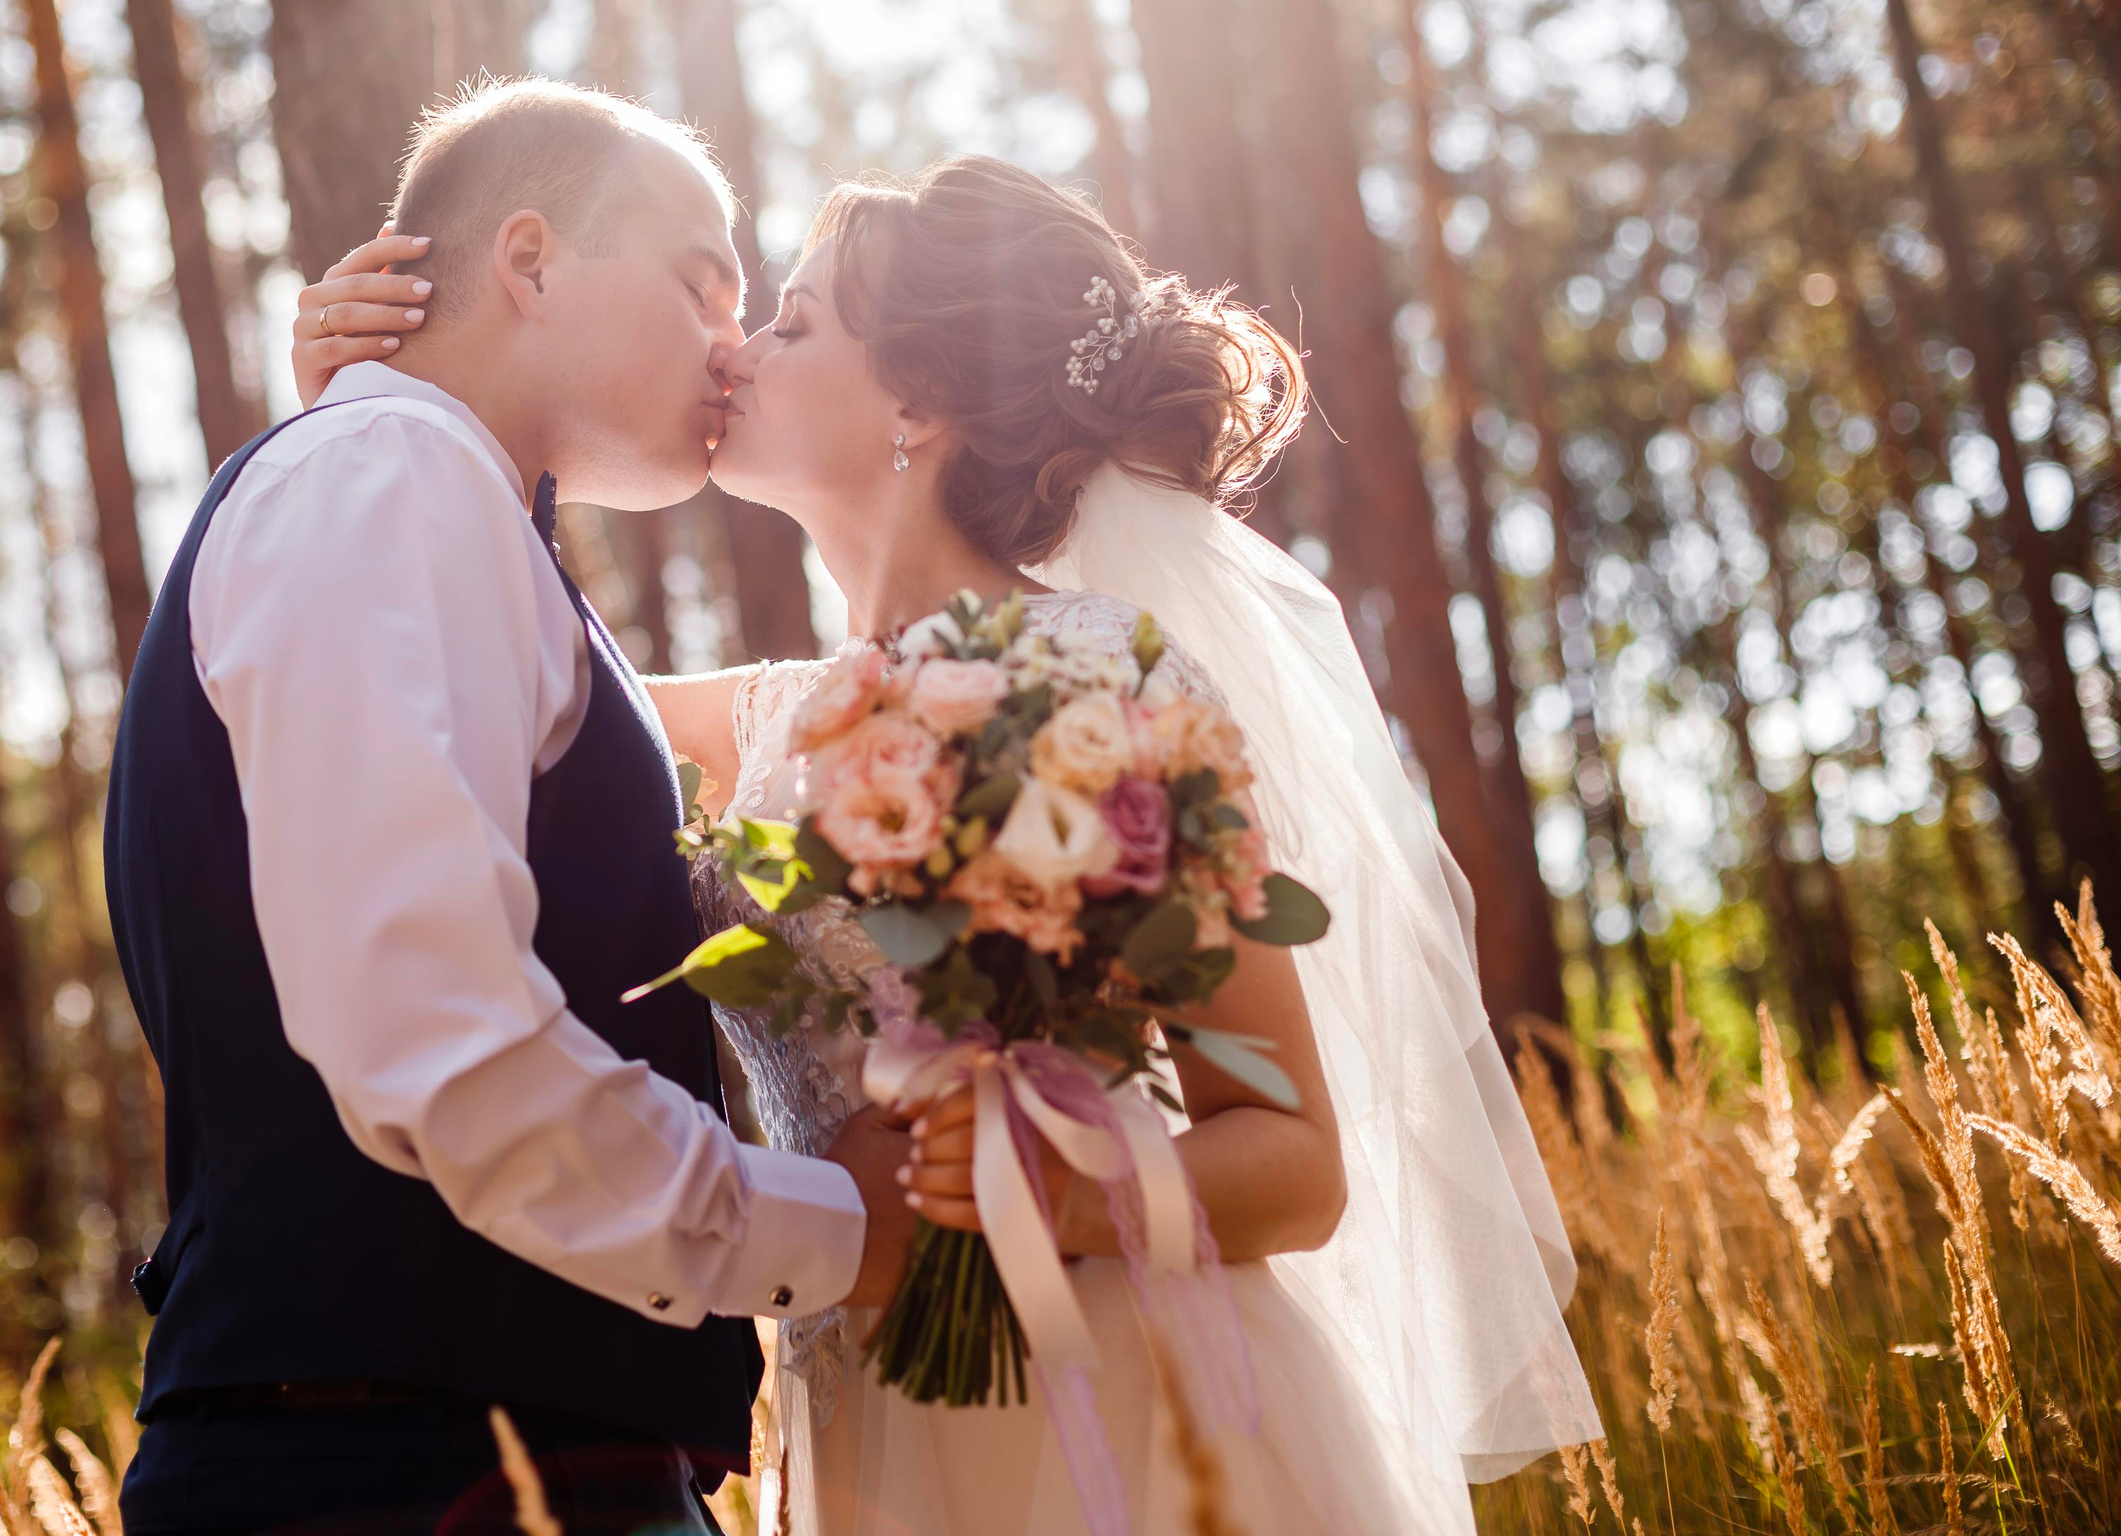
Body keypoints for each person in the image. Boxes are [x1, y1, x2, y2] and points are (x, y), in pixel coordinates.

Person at [294, 138, 1603, 1534]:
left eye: (789, 321)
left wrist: (1051, 1187)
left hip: (1125, 1404)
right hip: (869, 1418)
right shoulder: (759, 719)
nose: (734, 348)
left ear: (915, 398)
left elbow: (1294, 1158)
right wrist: (380, 401)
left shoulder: (1112, 690)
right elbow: (471, 639)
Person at [105, 80, 925, 1536]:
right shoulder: (387, 479)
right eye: (700, 281)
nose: (733, 343)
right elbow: (435, 1032)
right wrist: (831, 1232)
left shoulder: (429, 502)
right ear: (532, 261)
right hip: (407, 1477)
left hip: (447, 1452)